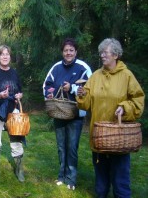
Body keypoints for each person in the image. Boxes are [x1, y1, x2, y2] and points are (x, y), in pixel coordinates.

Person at [76, 38, 145, 198]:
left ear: (115, 55)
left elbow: (138, 100)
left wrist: (125, 107)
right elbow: (85, 105)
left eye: (105, 52)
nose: (102, 55)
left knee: (121, 185)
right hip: (99, 139)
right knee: (101, 186)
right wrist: (82, 96)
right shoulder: (95, 76)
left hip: (119, 140)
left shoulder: (127, 75)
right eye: (100, 52)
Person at [42, 38, 92, 190]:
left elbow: (89, 90)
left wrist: (72, 89)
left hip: (76, 115)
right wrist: (49, 95)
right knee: (61, 147)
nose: (68, 53)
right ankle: (61, 176)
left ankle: (71, 179)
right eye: (66, 50)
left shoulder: (83, 68)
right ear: (62, 52)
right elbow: (47, 85)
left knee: (72, 147)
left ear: (76, 52)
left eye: (71, 50)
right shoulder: (56, 68)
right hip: (59, 112)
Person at [0, 45, 24, 183]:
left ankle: (19, 169)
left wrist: (20, 95)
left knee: (16, 140)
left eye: (7, 54)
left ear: (10, 56)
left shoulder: (14, 73)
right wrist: (0, 95)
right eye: (2, 54)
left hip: (13, 111)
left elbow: (20, 90)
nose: (5, 56)